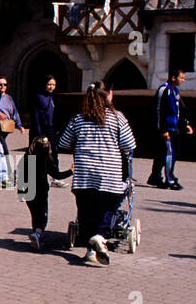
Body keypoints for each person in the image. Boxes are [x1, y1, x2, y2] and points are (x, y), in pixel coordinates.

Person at [57, 85, 137, 266]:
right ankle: (100, 238)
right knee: (108, 207)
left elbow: (64, 142)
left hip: (84, 174)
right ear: (107, 100)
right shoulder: (117, 118)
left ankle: (90, 250)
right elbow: (129, 144)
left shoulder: (78, 119)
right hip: (109, 173)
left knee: (86, 211)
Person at [17, 135, 72, 250]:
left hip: (28, 191)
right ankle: (37, 234)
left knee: (34, 214)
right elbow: (58, 175)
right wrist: (71, 171)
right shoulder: (47, 160)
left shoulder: (26, 159)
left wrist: (20, 193)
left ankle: (36, 236)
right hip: (41, 190)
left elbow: (20, 176)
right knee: (42, 216)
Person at [148, 70, 192, 190]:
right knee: (169, 153)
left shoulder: (174, 90)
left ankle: (155, 176)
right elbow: (159, 110)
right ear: (173, 77)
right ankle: (170, 179)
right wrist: (163, 129)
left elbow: (179, 109)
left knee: (163, 153)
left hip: (174, 126)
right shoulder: (165, 90)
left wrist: (185, 124)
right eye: (181, 77)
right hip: (166, 128)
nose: (183, 80)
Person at [30, 75, 57, 143]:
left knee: (52, 150)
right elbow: (35, 115)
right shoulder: (39, 97)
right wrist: (39, 132)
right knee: (35, 151)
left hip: (50, 128)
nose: (52, 87)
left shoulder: (51, 97)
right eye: (49, 84)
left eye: (54, 85)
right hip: (40, 129)